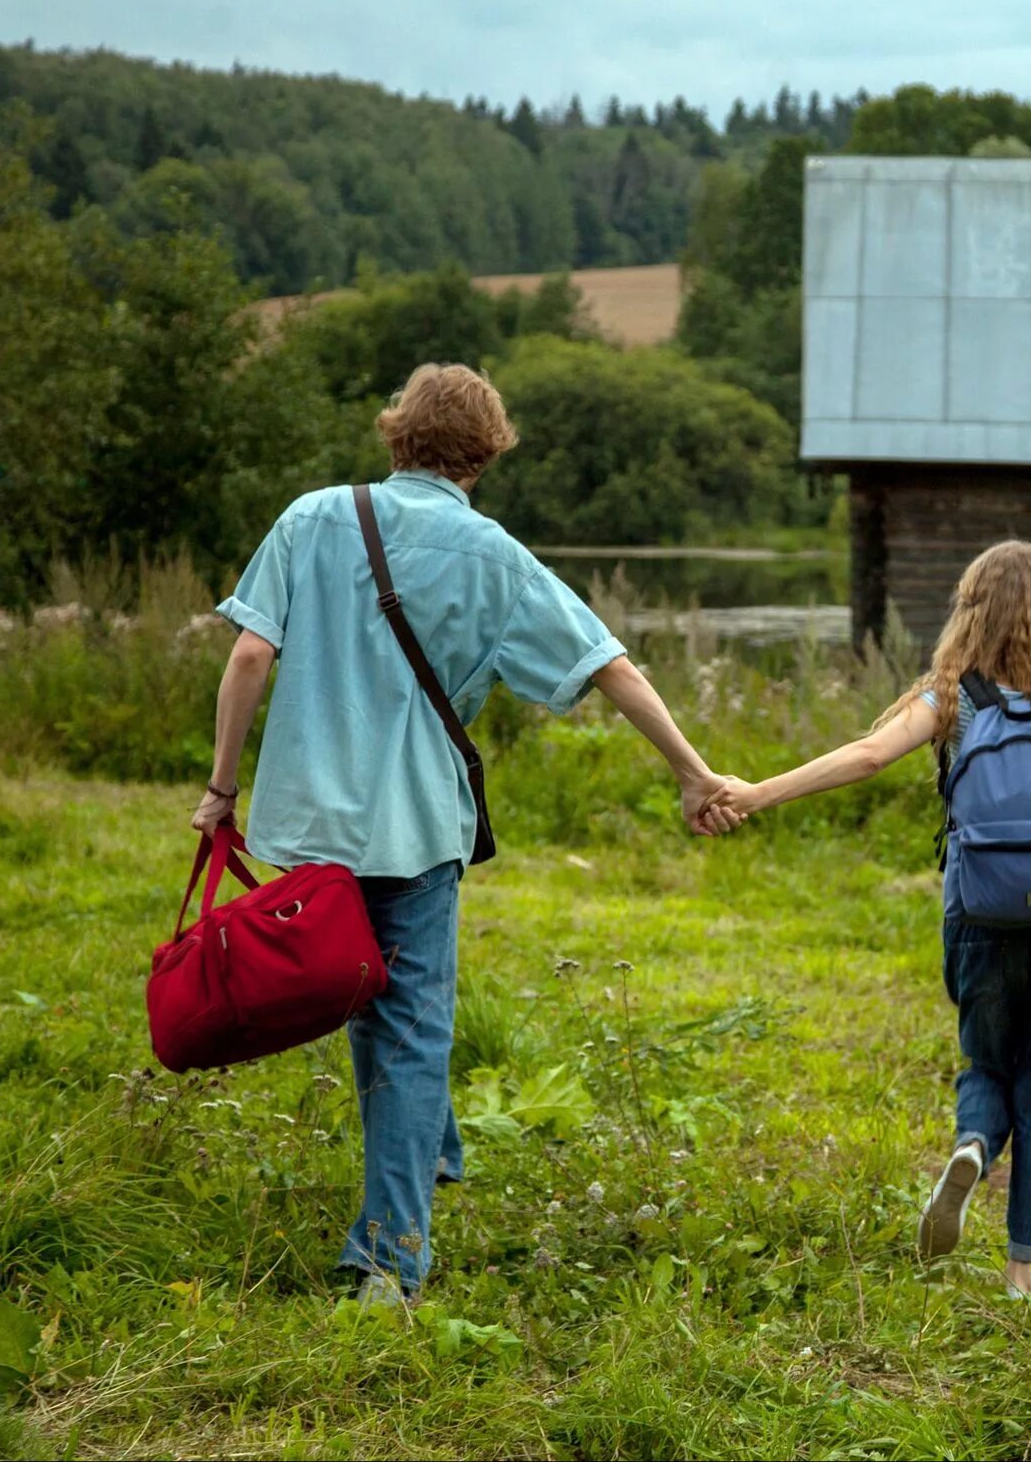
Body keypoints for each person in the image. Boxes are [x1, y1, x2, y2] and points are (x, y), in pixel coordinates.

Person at [190, 362, 739, 1307]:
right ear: (485, 456)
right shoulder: (496, 556)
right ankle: (389, 1259)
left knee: (367, 997)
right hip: (416, 826)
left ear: (396, 433)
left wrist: (221, 786)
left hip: (314, 826)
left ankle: (420, 1162)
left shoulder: (313, 517)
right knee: (407, 1025)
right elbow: (612, 665)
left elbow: (248, 654)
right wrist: (693, 771)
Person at [706, 541, 1031, 1297]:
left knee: (987, 1060)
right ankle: (1021, 1269)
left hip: (980, 914)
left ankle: (975, 1144)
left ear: (968, 606)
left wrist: (754, 792)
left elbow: (864, 756)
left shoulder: (948, 693)